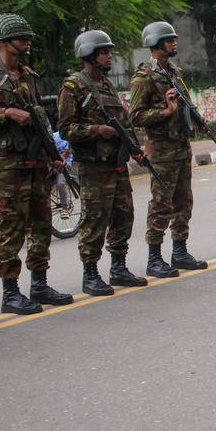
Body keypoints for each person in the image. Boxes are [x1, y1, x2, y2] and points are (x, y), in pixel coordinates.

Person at [0, 14, 74, 314]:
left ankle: (39, 283)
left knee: (41, 223)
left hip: (36, 160)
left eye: (28, 37)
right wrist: (8, 114)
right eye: (21, 38)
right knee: (10, 226)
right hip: (8, 162)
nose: (27, 42)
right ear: (3, 43)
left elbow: (40, 120)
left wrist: (54, 155)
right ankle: (10, 292)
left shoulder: (29, 76)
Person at [58, 30, 148, 296]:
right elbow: (65, 129)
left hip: (116, 164)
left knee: (124, 216)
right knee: (95, 220)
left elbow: (124, 122)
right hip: (93, 166)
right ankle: (90, 274)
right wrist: (97, 130)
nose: (109, 56)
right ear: (90, 55)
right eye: (104, 52)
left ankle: (118, 267)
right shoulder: (74, 87)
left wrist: (135, 149)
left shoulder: (107, 85)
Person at [129, 21, 207, 278]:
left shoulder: (174, 72)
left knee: (184, 201)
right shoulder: (144, 77)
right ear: (157, 44)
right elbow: (136, 116)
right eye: (169, 40)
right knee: (161, 204)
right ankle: (154, 258)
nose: (174, 43)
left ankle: (180, 251)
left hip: (181, 147)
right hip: (162, 151)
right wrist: (165, 111)